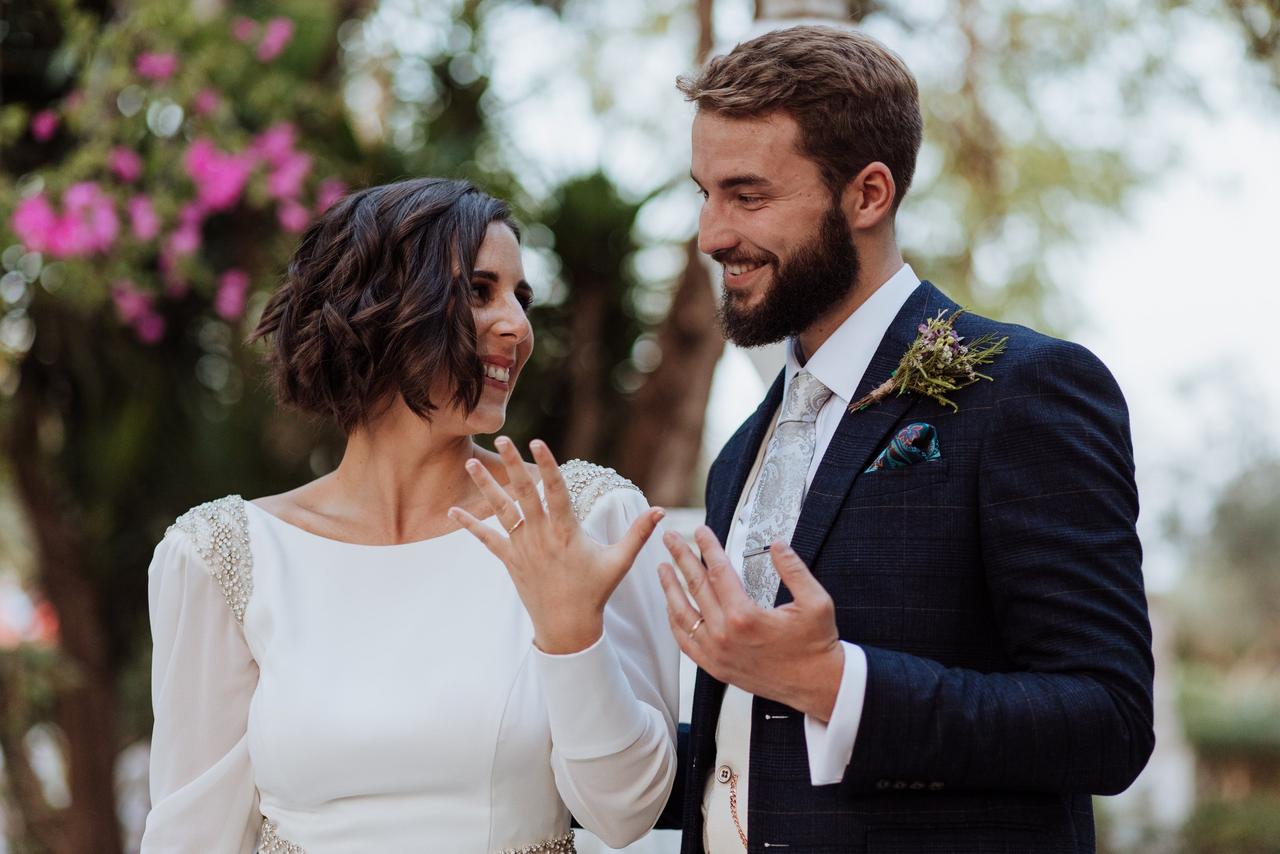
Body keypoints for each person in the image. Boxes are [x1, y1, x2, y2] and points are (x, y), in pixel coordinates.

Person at [656, 25, 1154, 853]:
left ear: (869, 195)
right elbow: (745, 746)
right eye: (704, 193)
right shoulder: (740, 451)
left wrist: (838, 683)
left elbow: (1107, 719)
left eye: (747, 196)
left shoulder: (1025, 390)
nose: (711, 234)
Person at [142, 178, 679, 853]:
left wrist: (572, 637)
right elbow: (194, 835)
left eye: (521, 297)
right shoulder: (223, 556)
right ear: (379, 310)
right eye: (480, 292)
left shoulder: (581, 521)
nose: (517, 326)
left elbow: (626, 812)